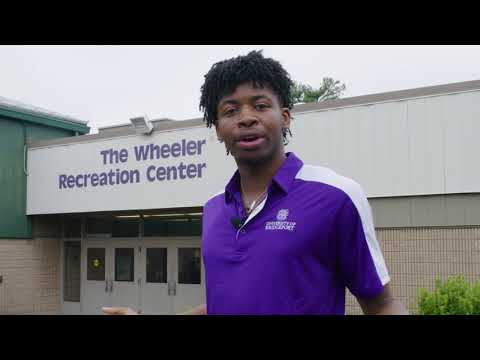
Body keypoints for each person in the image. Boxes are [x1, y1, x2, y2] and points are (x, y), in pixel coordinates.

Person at [103, 50, 408, 316]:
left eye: (260, 105)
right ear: (218, 130)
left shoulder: (335, 196)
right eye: (230, 110)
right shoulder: (213, 208)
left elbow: (382, 304)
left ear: (285, 117)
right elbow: (224, 306)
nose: (246, 117)